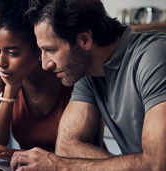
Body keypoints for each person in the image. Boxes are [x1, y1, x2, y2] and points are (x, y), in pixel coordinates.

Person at [11, 0, 166, 170]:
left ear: (84, 39)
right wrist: (131, 166)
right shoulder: (88, 71)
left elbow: (156, 164)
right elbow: (66, 147)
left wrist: (59, 165)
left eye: (51, 50)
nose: (45, 64)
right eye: (42, 52)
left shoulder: (154, 56)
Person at [0, 0, 97, 162]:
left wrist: (17, 154)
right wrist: (10, 90)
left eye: (13, 53)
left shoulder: (68, 71)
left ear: (39, 49)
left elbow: (87, 149)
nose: (1, 61)